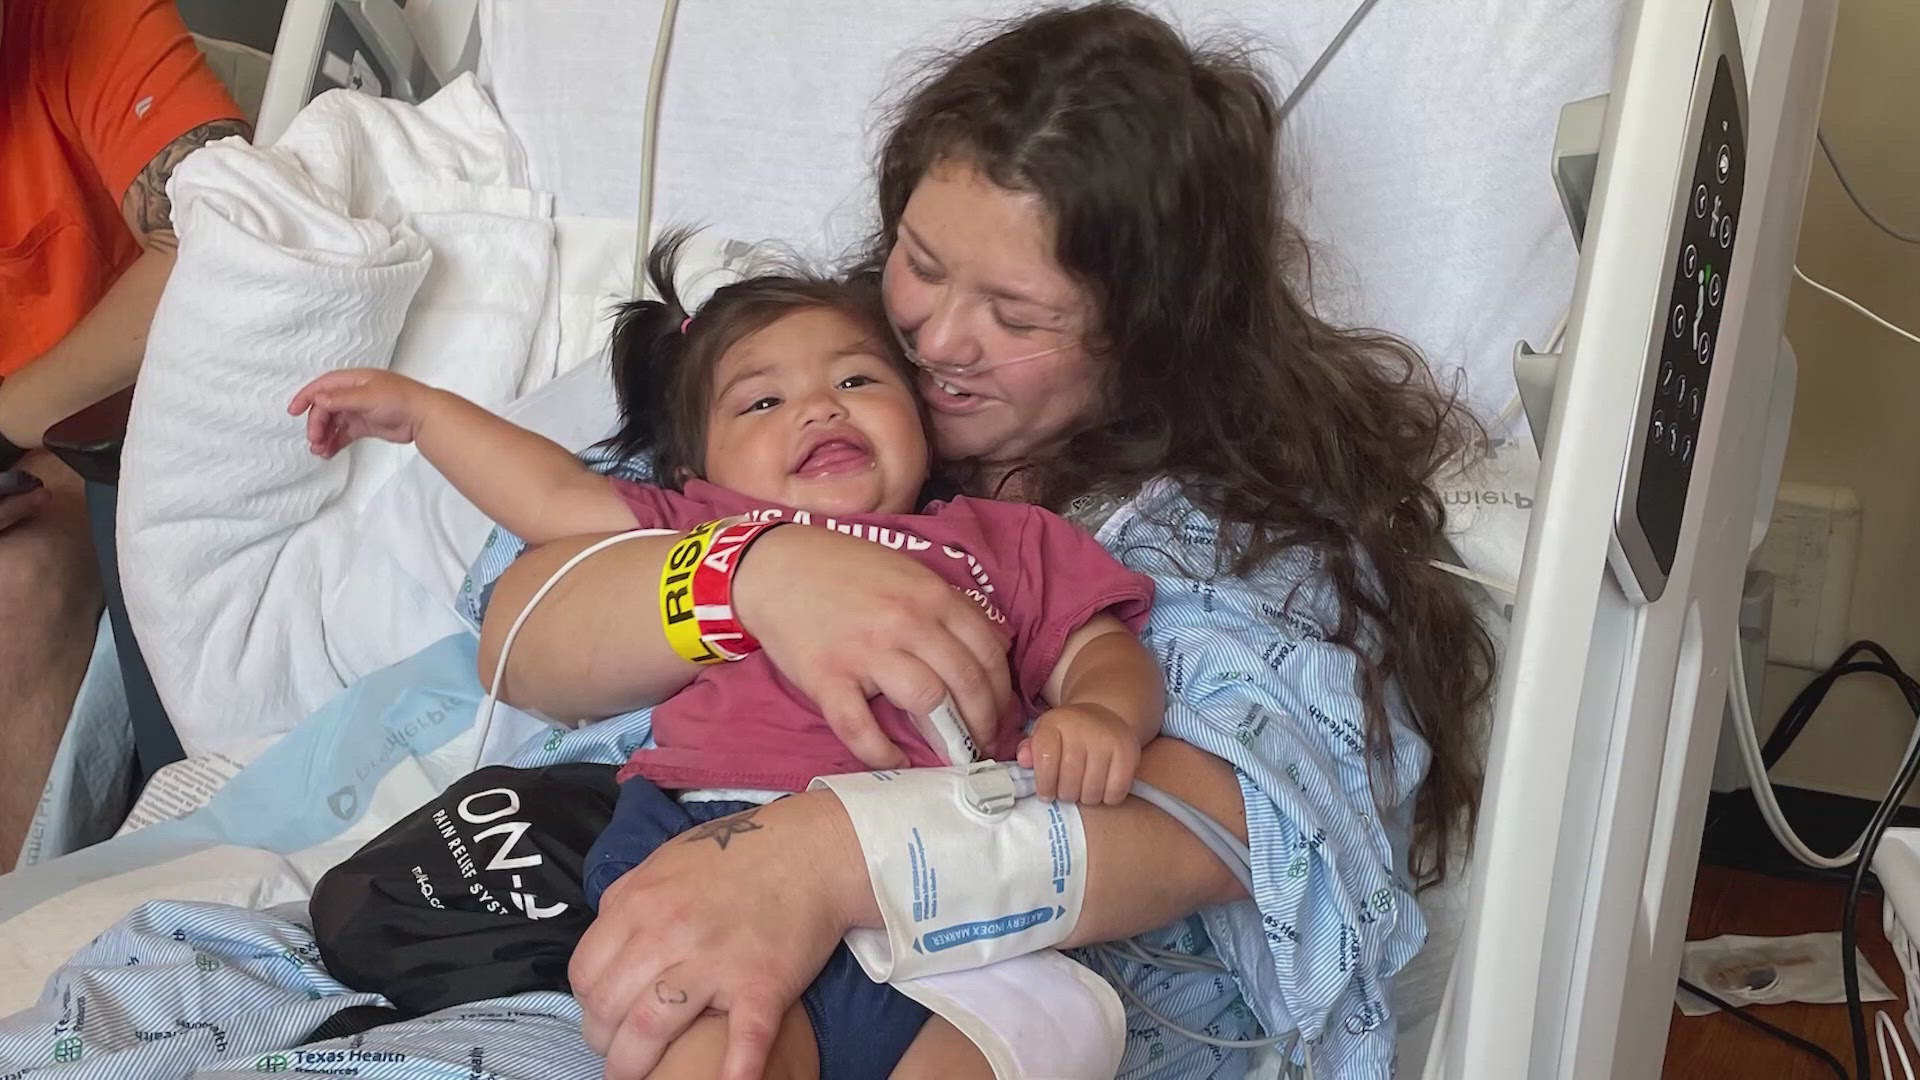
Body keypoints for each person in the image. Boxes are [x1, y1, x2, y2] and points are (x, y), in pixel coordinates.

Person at [469, 5, 1495, 1078]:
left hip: (981, 994)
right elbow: (522, 634)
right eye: (921, 260)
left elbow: (1237, 815)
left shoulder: (1229, 539)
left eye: (1017, 313)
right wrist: (754, 579)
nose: (938, 341)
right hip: (652, 923)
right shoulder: (814, 384)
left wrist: (823, 859)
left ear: (1151, 329)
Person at [289, 236, 1163, 1079]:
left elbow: (1096, 644)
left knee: (1039, 1035)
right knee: (721, 1049)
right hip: (707, 834)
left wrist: (1100, 712)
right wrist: (424, 414)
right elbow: (554, 496)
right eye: (762, 402)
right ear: (693, 467)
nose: (822, 407)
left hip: (944, 862)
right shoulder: (708, 532)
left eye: (858, 380)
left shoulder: (1000, 540)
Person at [0, 0, 249, 868]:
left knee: (16, 582)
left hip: (99, 436)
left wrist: (1, 425)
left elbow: (229, 232)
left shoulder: (86, 22)